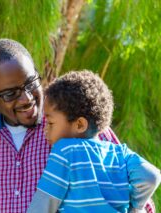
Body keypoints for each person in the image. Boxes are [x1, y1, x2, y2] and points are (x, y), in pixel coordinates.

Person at [0, 39, 155, 212]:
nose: (27, 99)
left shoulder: (78, 125)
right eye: (11, 93)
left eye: (31, 83)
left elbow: (143, 200)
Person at [27, 70, 161, 213]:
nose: (45, 130)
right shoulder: (120, 152)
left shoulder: (65, 150)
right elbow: (151, 176)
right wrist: (136, 207)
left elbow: (43, 204)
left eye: (51, 123)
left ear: (79, 125)